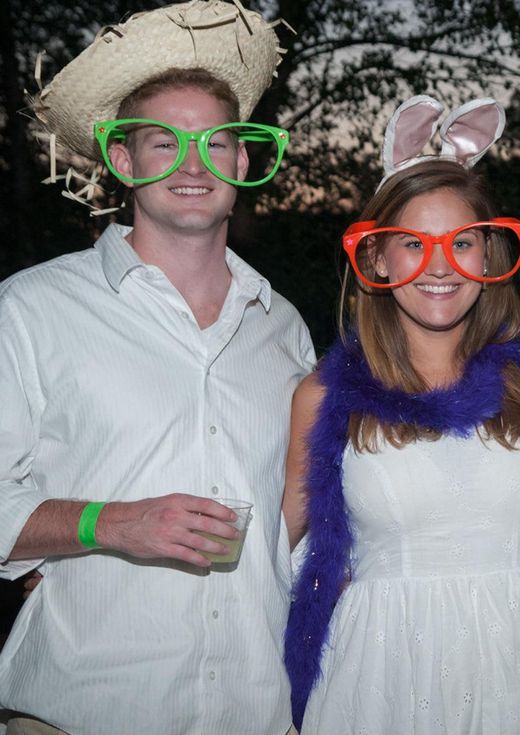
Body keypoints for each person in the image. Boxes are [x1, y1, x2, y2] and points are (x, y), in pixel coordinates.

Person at [0, 4, 312, 734]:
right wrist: (111, 523)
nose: (194, 163)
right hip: (84, 714)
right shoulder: (31, 308)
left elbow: (294, 523)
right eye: (163, 142)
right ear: (124, 160)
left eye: (215, 142)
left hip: (255, 714)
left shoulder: (285, 327)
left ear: (243, 160)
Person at [281, 95, 520, 734]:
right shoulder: (322, 397)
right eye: (413, 243)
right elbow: (279, 559)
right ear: (377, 260)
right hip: (381, 679)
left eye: (462, 242)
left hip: (515, 673)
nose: (440, 265)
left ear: (488, 257)